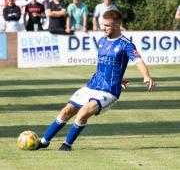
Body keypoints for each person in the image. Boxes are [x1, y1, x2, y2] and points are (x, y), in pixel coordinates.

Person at [36, 10, 155, 151]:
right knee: (66, 111)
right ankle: (44, 142)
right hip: (92, 85)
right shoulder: (102, 41)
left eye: (107, 26)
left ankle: (66, 145)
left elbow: (138, 61)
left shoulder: (126, 44)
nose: (103, 28)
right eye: (102, 25)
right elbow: (105, 65)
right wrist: (119, 78)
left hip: (109, 91)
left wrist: (146, 76)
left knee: (84, 112)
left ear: (117, 25)